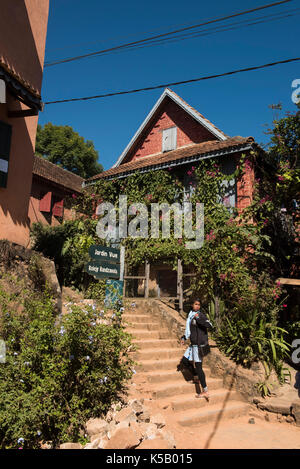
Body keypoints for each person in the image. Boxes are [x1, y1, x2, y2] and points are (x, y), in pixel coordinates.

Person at [180, 299, 213, 400]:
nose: (197, 306)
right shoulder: (190, 315)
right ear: (192, 305)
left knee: (199, 367)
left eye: (199, 304)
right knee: (185, 361)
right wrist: (184, 338)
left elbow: (210, 325)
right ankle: (196, 377)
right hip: (192, 344)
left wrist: (199, 319)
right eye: (196, 304)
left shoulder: (200, 315)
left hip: (198, 346)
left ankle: (205, 391)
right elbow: (189, 330)